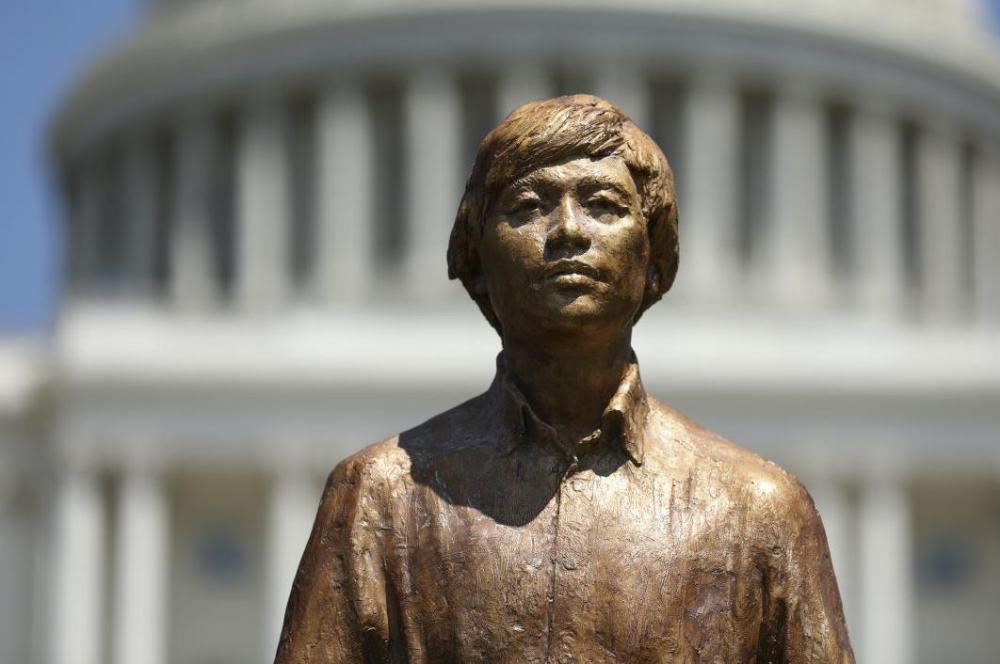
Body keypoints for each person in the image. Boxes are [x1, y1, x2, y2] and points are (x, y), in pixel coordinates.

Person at [275, 94, 853, 663]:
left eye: (603, 205)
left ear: (655, 261)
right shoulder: (378, 498)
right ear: (476, 262)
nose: (569, 231)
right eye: (529, 207)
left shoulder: (760, 511)